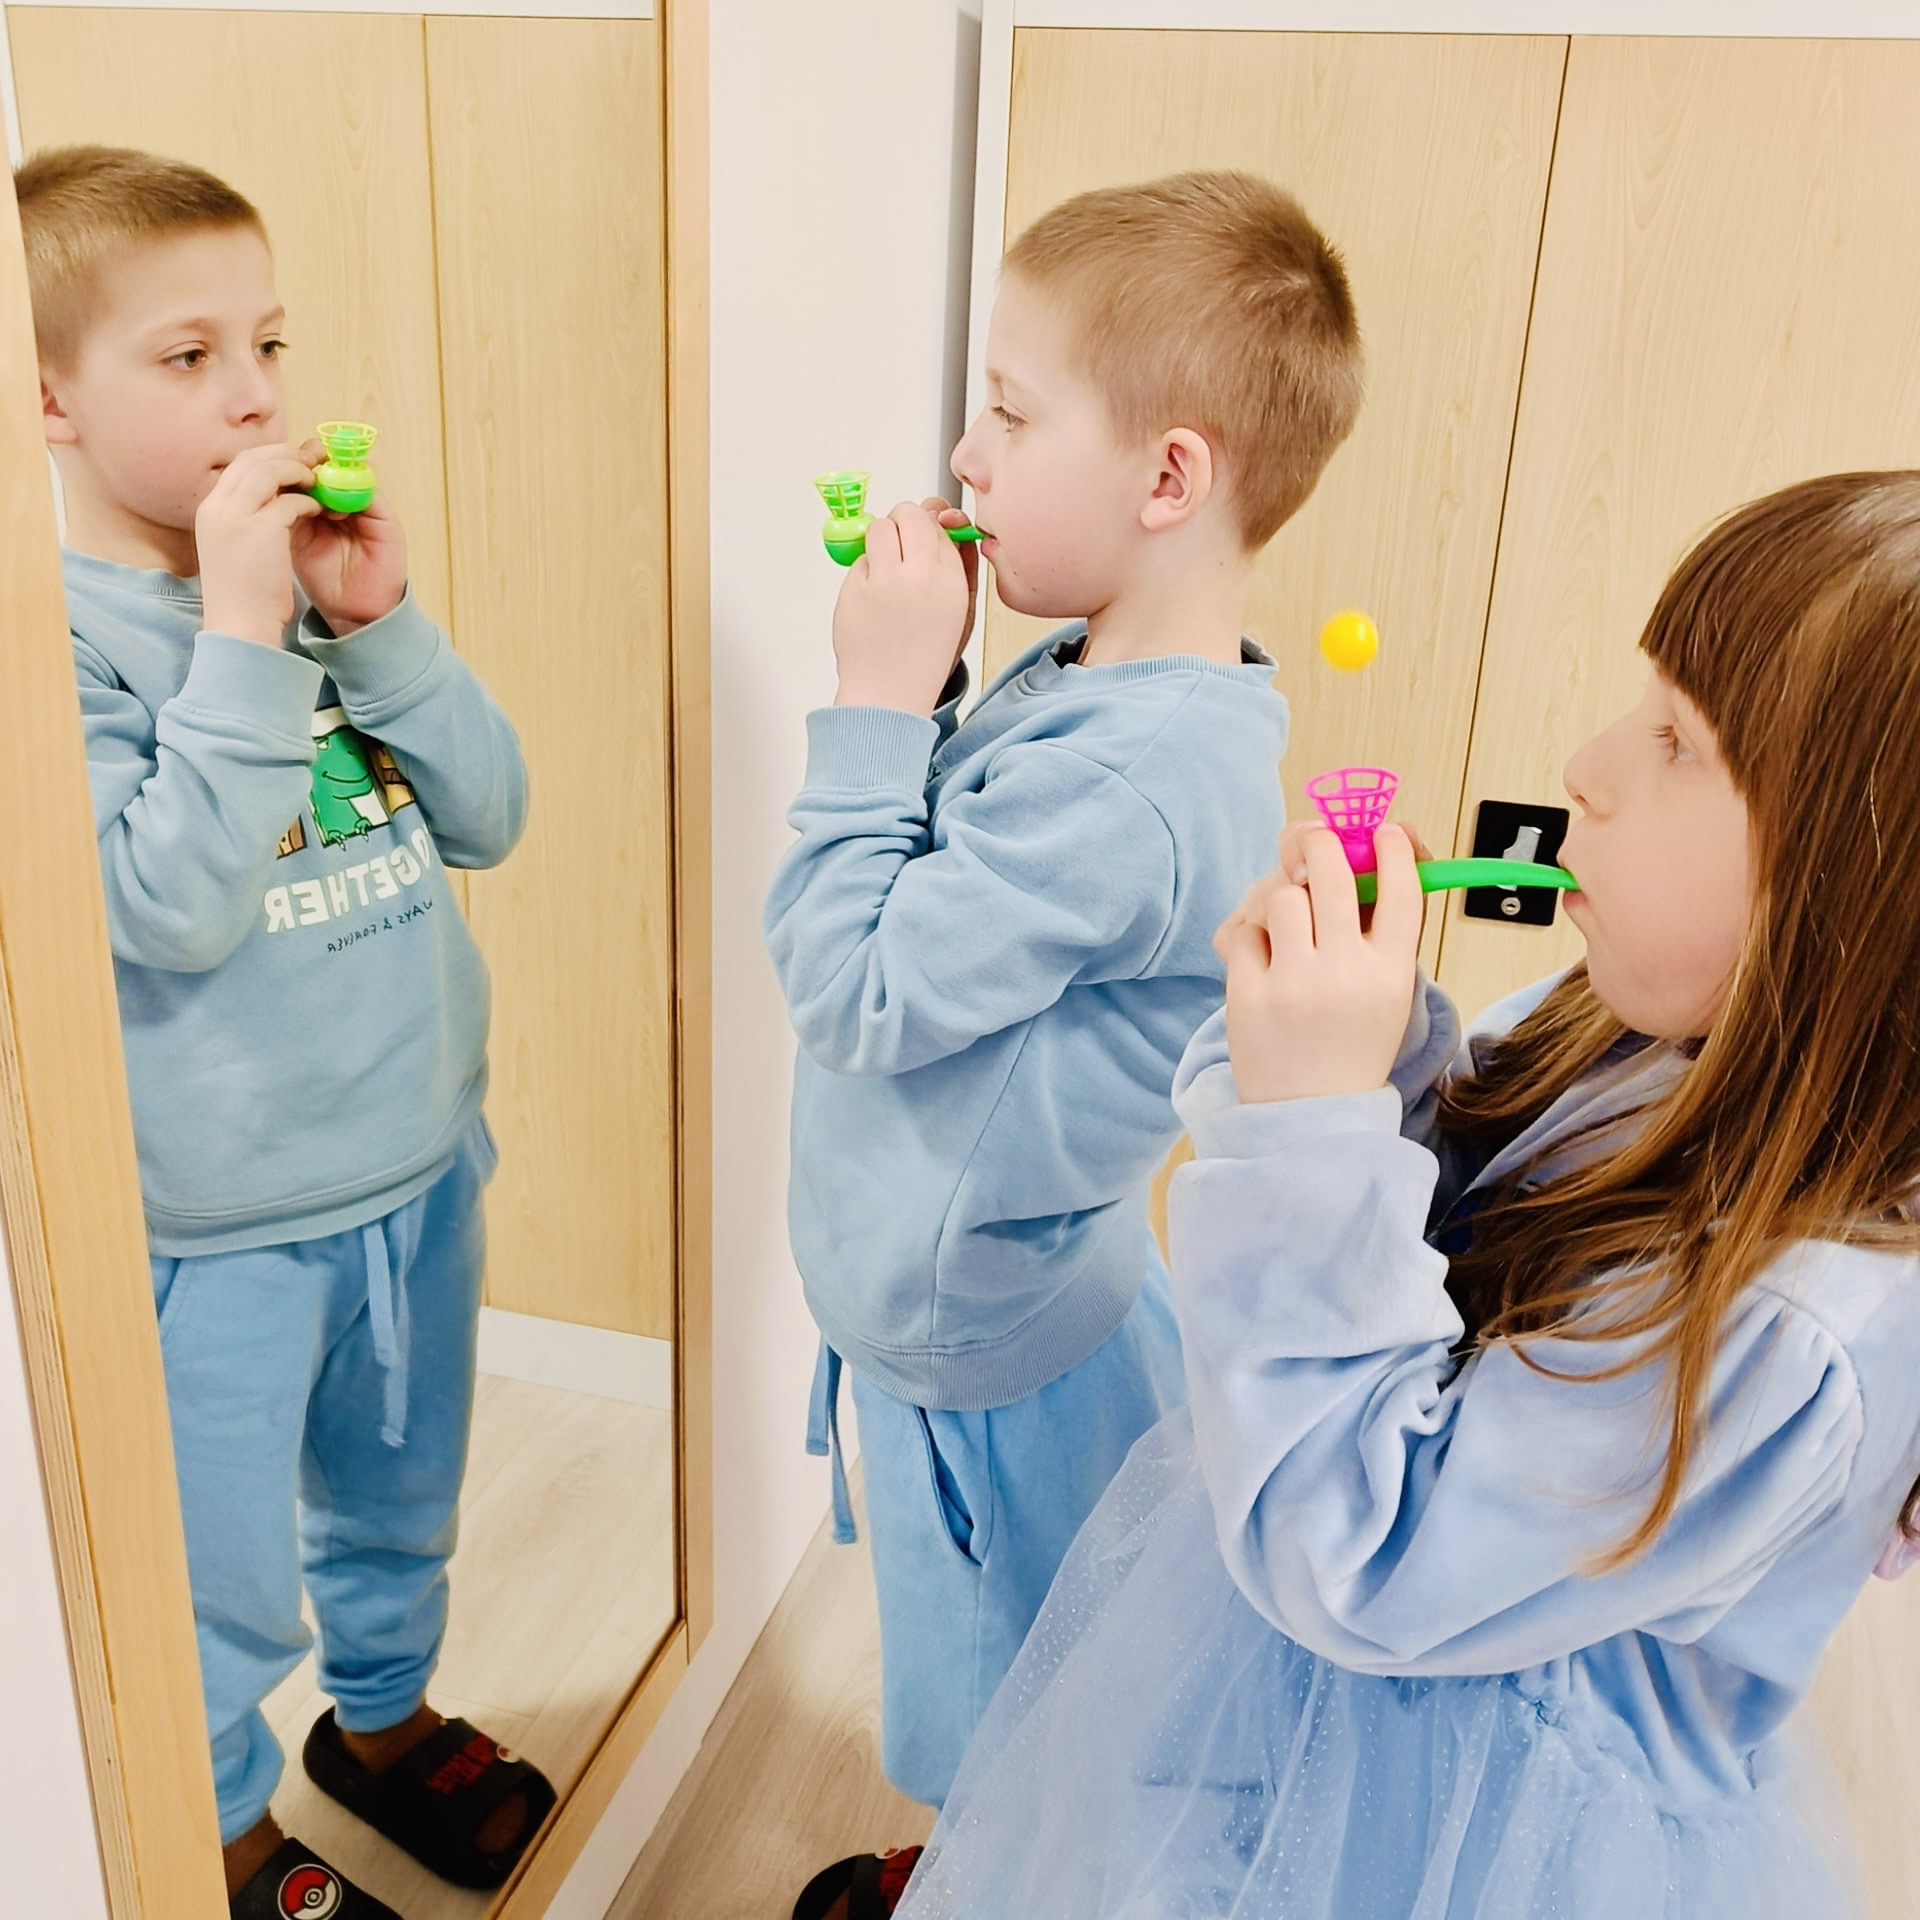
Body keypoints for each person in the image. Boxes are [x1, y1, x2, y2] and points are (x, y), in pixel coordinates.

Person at [898, 469, 1920, 1918]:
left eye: (1679, 742)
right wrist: (1364, 1054)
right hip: (1329, 1700)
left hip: (1474, 1826)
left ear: (1862, 892)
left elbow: (1368, 1555)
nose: (1588, 766)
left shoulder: (1795, 1334)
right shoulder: (1637, 1033)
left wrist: (1312, 1119)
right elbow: (1443, 1216)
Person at [765, 170, 1364, 1918]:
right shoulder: (1102, 681)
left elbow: (860, 986)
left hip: (981, 1345)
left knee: (1008, 1699)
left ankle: (998, 1871)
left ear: (1168, 478)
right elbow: (973, 866)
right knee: (1056, 1648)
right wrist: (939, 694)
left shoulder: (1132, 775)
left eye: (1012, 414)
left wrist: (876, 703)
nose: (965, 456)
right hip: (1003, 1296)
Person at [19, 143, 552, 1919]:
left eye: (268, 344)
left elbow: (490, 814)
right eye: (187, 357)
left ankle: (382, 1722)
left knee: (401, 1499)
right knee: (216, 1581)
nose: (254, 395)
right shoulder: (56, 651)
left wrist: (375, 626)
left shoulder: (312, 597)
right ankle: (223, 1826)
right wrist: (245, 632)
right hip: (223, 1227)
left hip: (417, 1161)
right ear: (46, 402)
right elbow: (166, 905)